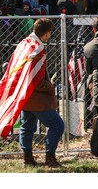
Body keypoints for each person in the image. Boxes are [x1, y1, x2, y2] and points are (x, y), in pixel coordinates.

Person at [0, 18, 64, 167]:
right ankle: (50, 158)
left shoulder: (24, 43)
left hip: (24, 97)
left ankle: (27, 158)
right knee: (57, 125)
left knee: (26, 127)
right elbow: (36, 81)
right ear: (47, 33)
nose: (50, 36)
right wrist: (49, 86)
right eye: (50, 33)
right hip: (37, 98)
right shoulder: (38, 49)